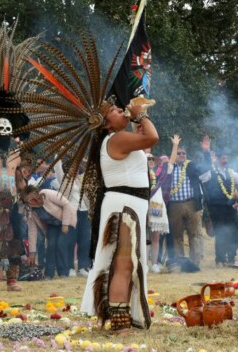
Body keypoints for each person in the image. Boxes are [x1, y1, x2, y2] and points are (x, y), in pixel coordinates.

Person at [80, 101, 158, 333]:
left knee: (123, 263)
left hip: (127, 204)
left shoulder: (118, 138)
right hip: (125, 207)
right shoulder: (115, 139)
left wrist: (135, 119)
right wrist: (140, 114)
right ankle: (119, 322)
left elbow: (143, 137)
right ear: (105, 124)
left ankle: (118, 316)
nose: (120, 110)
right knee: (123, 263)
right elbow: (152, 137)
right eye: (114, 111)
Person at [164, 138, 211, 266]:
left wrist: (206, 152)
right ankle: (180, 261)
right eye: (179, 153)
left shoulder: (191, 165)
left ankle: (194, 262)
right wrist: (175, 146)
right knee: (177, 235)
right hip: (174, 205)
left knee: (194, 233)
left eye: (184, 153)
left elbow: (206, 169)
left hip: (191, 203)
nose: (182, 155)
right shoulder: (169, 167)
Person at [204, 149, 238, 266]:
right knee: (220, 233)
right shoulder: (211, 172)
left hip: (231, 208)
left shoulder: (230, 172)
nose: (226, 160)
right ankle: (220, 259)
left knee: (233, 233)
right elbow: (203, 178)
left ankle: (231, 258)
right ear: (218, 160)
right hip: (217, 208)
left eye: (226, 158)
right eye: (223, 158)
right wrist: (211, 163)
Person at [23, 185, 77, 278]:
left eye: (32, 197)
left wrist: (65, 224)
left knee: (61, 243)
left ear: (36, 193)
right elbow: (32, 231)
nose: (32, 201)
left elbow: (66, 204)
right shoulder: (32, 211)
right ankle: (49, 274)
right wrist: (32, 253)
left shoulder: (47, 194)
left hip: (67, 220)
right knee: (51, 245)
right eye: (28, 200)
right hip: (53, 225)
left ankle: (63, 272)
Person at [147, 135, 180, 273]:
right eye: (148, 160)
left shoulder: (161, 173)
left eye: (152, 160)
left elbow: (171, 161)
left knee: (156, 236)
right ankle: (143, 262)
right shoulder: (139, 172)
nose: (150, 162)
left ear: (155, 163)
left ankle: (154, 263)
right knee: (143, 237)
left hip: (156, 205)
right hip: (143, 204)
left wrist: (175, 146)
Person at [55, 158, 92, 277]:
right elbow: (57, 167)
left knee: (85, 240)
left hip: (84, 211)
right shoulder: (63, 179)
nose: (74, 170)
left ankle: (83, 267)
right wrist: (59, 153)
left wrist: (85, 159)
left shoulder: (81, 180)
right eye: (72, 167)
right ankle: (70, 267)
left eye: (76, 167)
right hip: (71, 213)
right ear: (67, 168)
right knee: (70, 240)